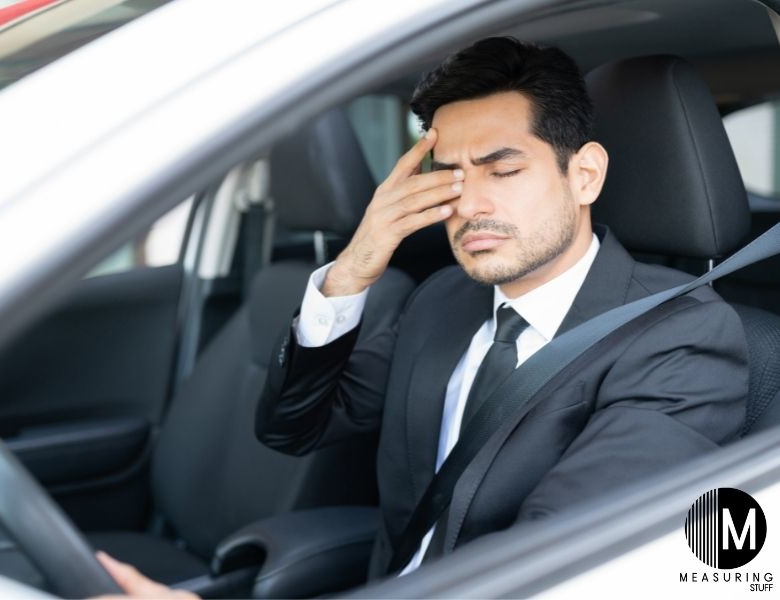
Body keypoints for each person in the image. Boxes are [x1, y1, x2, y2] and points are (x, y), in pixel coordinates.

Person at [93, 36, 748, 596]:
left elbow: (541, 575)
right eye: (449, 176)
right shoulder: (442, 301)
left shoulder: (684, 339)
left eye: (502, 169)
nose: (467, 204)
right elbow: (294, 427)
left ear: (584, 176)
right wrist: (352, 272)